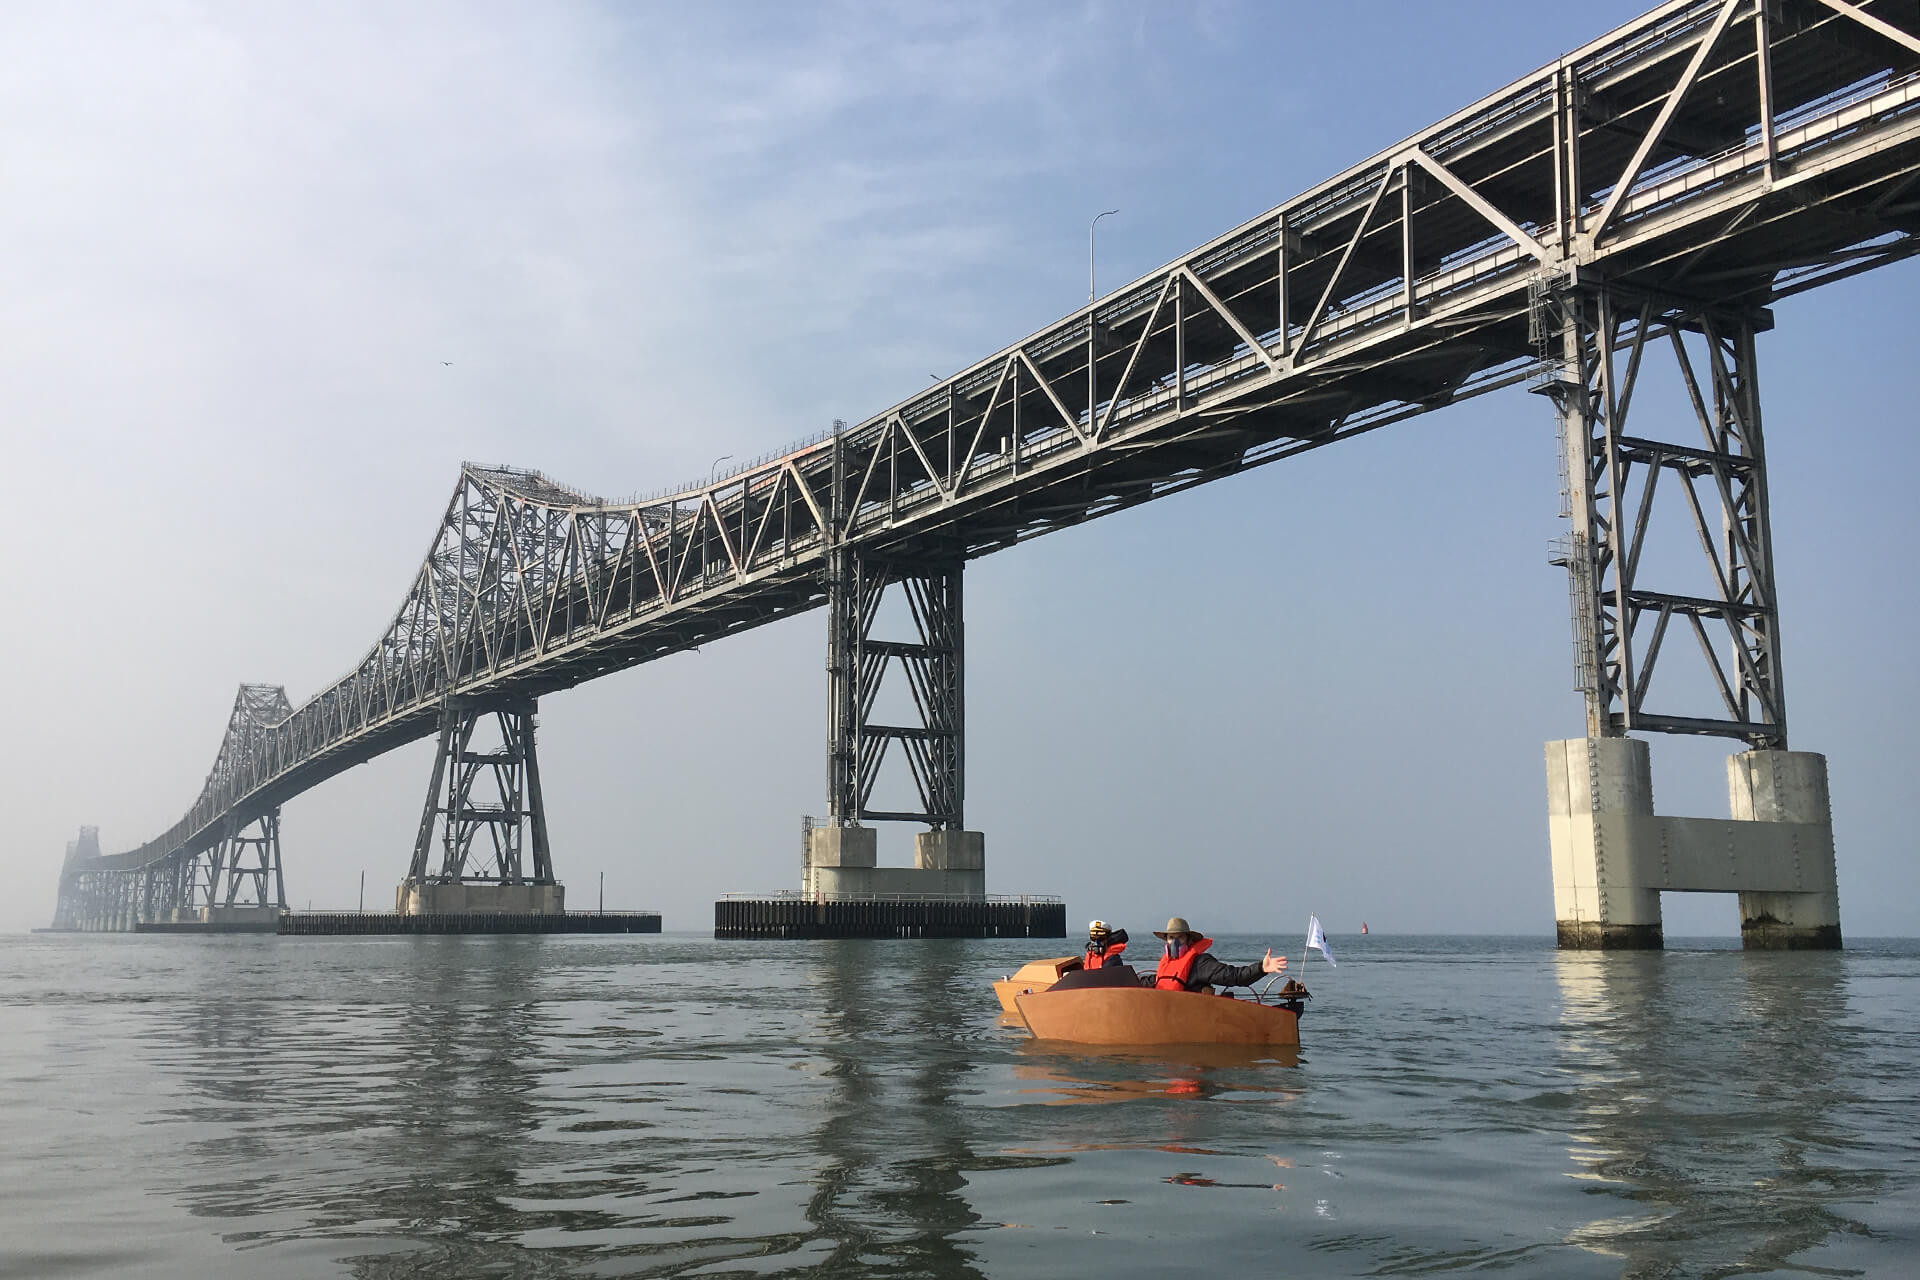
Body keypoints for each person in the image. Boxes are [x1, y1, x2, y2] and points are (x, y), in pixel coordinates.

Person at [1148, 917, 1285, 993]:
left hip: (1192, 1016)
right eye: (1171, 938)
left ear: (1189, 940)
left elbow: (1234, 976)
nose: (1175, 942)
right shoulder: (1165, 965)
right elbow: (1154, 981)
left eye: (1180, 937)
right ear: (1166, 940)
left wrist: (1261, 968)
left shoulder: (1200, 963)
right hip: (1166, 1014)